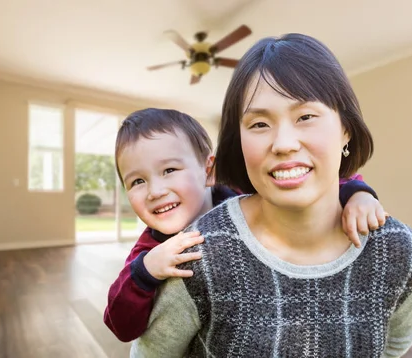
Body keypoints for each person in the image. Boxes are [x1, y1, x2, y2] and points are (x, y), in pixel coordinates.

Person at [130, 34, 412, 358]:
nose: (284, 143)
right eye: (259, 123)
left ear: (346, 129)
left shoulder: (403, 253)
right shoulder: (199, 253)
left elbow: (393, 347)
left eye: (305, 117)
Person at [104, 108, 385, 342]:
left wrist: (357, 194)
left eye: (169, 171)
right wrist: (145, 271)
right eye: (137, 181)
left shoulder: (242, 197)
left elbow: (309, 187)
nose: (155, 191)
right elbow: (120, 325)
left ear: (208, 171)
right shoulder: (149, 250)